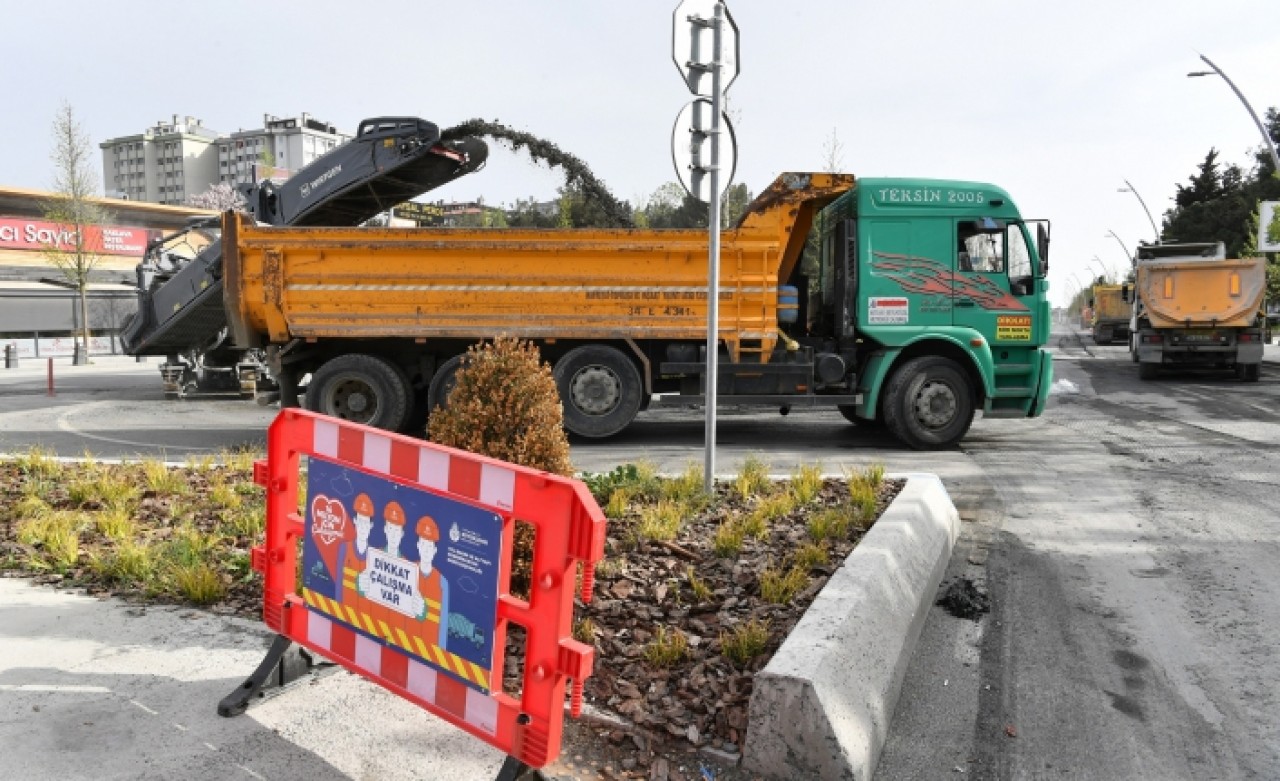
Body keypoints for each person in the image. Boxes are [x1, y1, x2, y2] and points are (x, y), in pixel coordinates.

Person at [409, 515, 450, 650]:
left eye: (430, 546)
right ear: (418, 545)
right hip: (407, 643)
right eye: (423, 544)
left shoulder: (442, 583)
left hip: (431, 651)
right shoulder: (409, 571)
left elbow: (443, 626)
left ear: (435, 550)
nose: (426, 550)